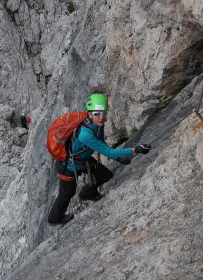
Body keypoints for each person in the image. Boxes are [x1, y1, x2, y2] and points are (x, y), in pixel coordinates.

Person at [47, 93, 151, 225]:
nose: (101, 117)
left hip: (82, 160)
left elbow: (102, 144)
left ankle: (87, 193)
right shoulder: (85, 134)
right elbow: (109, 152)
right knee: (67, 193)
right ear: (90, 114)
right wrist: (136, 150)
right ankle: (54, 219)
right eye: (97, 114)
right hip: (68, 165)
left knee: (105, 175)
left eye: (103, 113)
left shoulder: (97, 125)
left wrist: (119, 158)